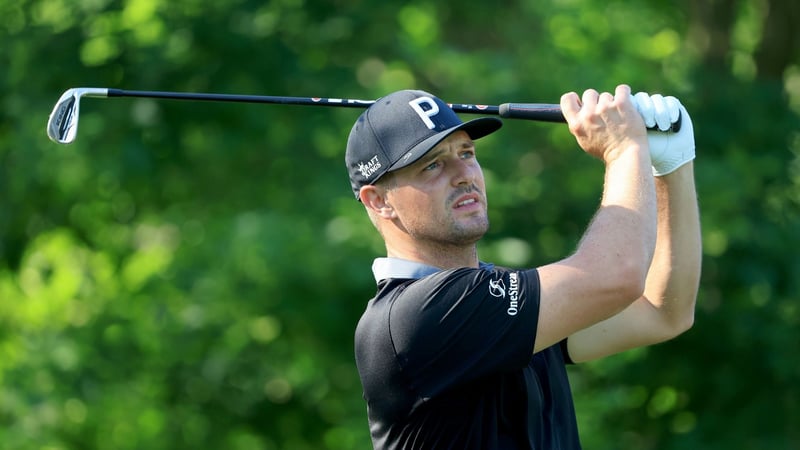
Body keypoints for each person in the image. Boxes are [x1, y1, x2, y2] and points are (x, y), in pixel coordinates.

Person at [345, 85, 701, 450]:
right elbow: (617, 277)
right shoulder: (412, 317)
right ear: (379, 201)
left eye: (466, 153)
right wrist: (624, 149)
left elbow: (662, 311)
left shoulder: (496, 304)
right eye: (432, 165)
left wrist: (673, 167)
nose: (463, 174)